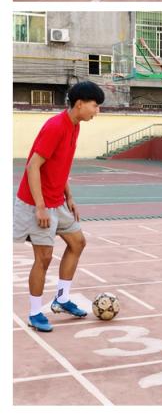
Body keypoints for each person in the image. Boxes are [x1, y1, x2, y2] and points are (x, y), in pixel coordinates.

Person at [14, 81, 104, 331]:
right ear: (80, 104)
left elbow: (60, 165)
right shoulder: (55, 127)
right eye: (95, 106)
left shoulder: (75, 126)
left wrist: (69, 197)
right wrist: (40, 207)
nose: (97, 111)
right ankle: (34, 313)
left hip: (57, 200)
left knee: (78, 243)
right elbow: (33, 166)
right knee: (43, 258)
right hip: (36, 202)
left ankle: (62, 299)